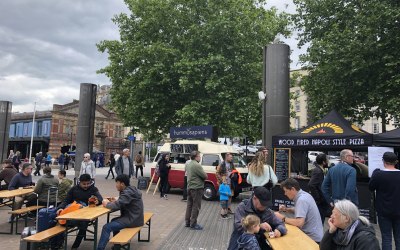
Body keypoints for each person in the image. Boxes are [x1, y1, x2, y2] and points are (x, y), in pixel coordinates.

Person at [97, 174, 144, 250]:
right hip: (136, 218)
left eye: (117, 183)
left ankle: (100, 248)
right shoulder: (130, 190)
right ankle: (117, 245)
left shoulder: (127, 192)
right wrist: (117, 200)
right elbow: (122, 201)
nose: (116, 185)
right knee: (113, 220)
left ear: (122, 184)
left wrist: (107, 204)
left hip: (132, 220)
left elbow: (117, 205)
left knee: (106, 227)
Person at [57, 174, 103, 249]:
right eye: (84, 184)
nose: (86, 185)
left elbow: (100, 198)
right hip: (74, 212)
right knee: (59, 222)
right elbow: (66, 200)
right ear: (79, 182)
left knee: (83, 224)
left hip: (87, 214)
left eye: (88, 183)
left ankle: (75, 245)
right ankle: (58, 243)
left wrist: (98, 201)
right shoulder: (74, 189)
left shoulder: (93, 189)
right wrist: (61, 207)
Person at [275, 178, 323, 243]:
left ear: (292, 189)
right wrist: (286, 209)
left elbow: (299, 223)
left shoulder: (302, 200)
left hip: (312, 239)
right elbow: (301, 210)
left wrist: (282, 218)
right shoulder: (305, 195)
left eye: (286, 191)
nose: (285, 194)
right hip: (316, 235)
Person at [369, 151, 400, 250]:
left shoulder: (379, 174)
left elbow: (371, 187)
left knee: (386, 237)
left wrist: (374, 174)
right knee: (399, 237)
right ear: (396, 162)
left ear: (384, 161)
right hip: (399, 210)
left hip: (383, 210)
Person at [185, 151, 207, 230]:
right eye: (199, 156)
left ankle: (187, 222)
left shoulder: (188, 164)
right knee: (196, 206)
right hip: (197, 188)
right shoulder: (197, 165)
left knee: (189, 205)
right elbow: (205, 176)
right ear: (195, 157)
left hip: (190, 187)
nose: (200, 157)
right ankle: (193, 224)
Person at [308, 153, 330, 224]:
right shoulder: (318, 171)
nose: (328, 162)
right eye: (327, 160)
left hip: (321, 201)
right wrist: (318, 198)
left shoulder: (320, 170)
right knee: (319, 221)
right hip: (320, 203)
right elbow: (311, 185)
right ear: (323, 162)